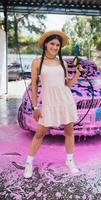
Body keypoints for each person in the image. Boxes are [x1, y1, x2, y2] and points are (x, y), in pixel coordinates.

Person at [23, 30, 84, 178]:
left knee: (69, 131)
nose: (55, 47)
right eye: (52, 44)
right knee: (40, 133)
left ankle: (70, 161)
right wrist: (35, 107)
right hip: (49, 101)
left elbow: (67, 85)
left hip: (65, 100)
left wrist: (77, 74)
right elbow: (34, 86)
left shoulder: (62, 62)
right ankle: (28, 163)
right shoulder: (37, 62)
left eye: (57, 45)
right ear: (45, 44)